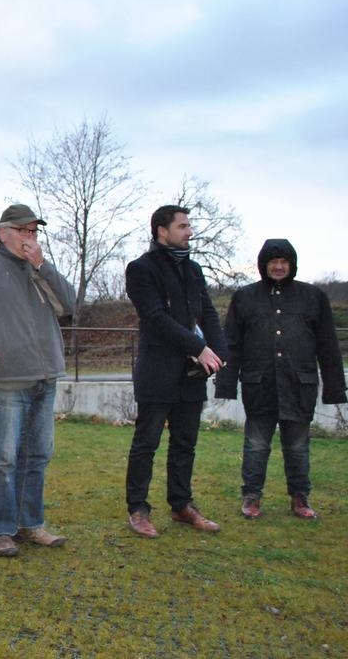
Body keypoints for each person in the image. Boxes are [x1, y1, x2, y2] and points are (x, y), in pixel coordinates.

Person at [0, 204, 76, 557]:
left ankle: (30, 525)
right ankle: (0, 530)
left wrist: (42, 265)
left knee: (37, 456)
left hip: (45, 374)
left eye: (34, 231)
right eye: (22, 230)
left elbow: (70, 304)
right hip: (4, 377)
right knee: (4, 458)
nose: (29, 237)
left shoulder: (39, 269)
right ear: (3, 231)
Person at [215, 239, 346, 519]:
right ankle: (251, 497)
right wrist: (225, 383)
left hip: (300, 386)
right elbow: (232, 344)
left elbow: (328, 346)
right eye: (273, 261)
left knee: (298, 446)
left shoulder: (313, 297)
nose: (278, 266)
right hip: (259, 385)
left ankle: (300, 498)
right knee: (256, 444)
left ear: (292, 264)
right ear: (263, 264)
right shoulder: (245, 297)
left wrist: (335, 389)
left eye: (284, 261)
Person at [124, 204, 228, 539]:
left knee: (185, 443)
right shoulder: (141, 269)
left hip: (192, 374)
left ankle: (182, 505)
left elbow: (207, 313)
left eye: (189, 225)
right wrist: (198, 348)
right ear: (161, 230)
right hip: (158, 369)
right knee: (147, 443)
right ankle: (138, 510)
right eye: (182, 226)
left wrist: (219, 350)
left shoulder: (194, 270)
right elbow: (155, 317)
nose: (189, 231)